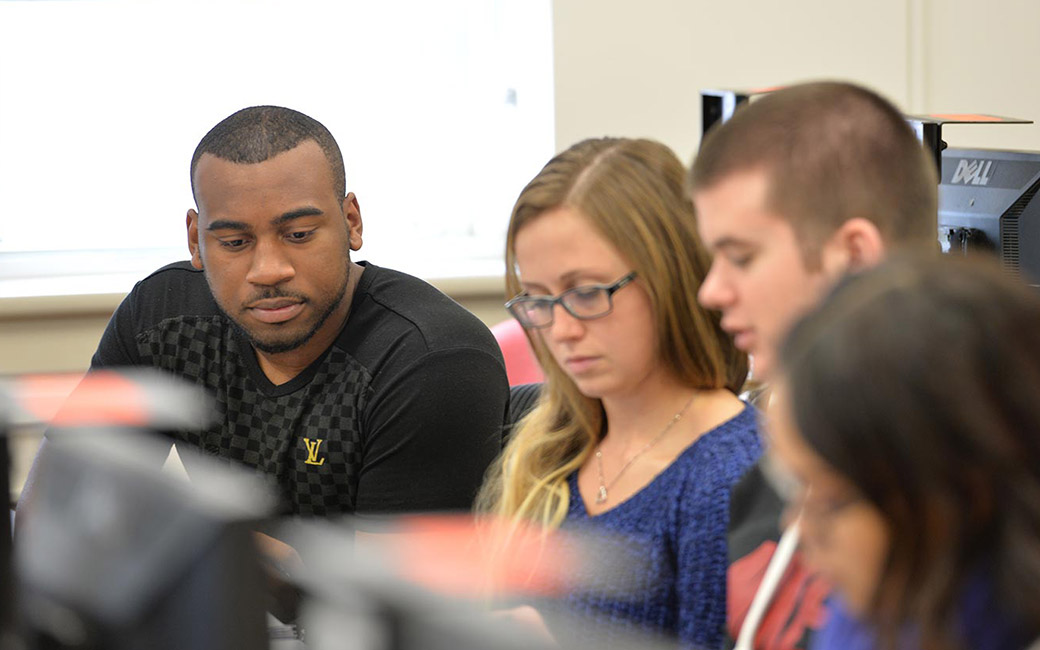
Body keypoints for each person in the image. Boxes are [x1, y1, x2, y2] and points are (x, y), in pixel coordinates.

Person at [18, 105, 509, 520]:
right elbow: (54, 510)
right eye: (234, 242)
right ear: (196, 240)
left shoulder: (430, 359)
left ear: (351, 223)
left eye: (298, 235)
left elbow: (397, 610)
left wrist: (186, 538)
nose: (269, 270)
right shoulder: (162, 322)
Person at [477, 137, 762, 649]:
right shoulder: (556, 444)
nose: (560, 330)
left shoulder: (727, 476)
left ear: (670, 277)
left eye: (586, 292)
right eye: (537, 299)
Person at [686, 81, 939, 649]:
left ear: (853, 258)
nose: (711, 291)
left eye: (741, 257)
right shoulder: (771, 477)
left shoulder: (957, 493)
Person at [767, 254, 1040, 650]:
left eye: (827, 500)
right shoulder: (878, 611)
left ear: (956, 493)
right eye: (793, 483)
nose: (798, 527)